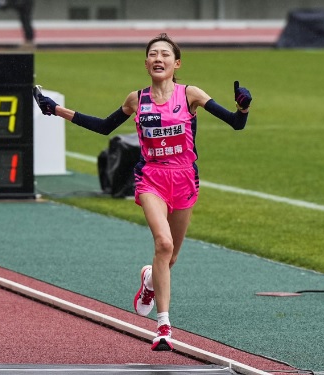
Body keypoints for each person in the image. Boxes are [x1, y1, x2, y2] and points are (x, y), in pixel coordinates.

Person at [34, 33, 252, 351]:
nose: (158, 58)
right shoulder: (137, 99)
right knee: (162, 244)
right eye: (153, 54)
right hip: (151, 179)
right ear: (146, 62)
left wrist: (243, 107)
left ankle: (149, 280)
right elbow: (104, 126)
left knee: (171, 256)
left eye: (165, 54)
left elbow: (236, 123)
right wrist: (57, 110)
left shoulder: (190, 94)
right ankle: (164, 328)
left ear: (176, 63)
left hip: (185, 180)